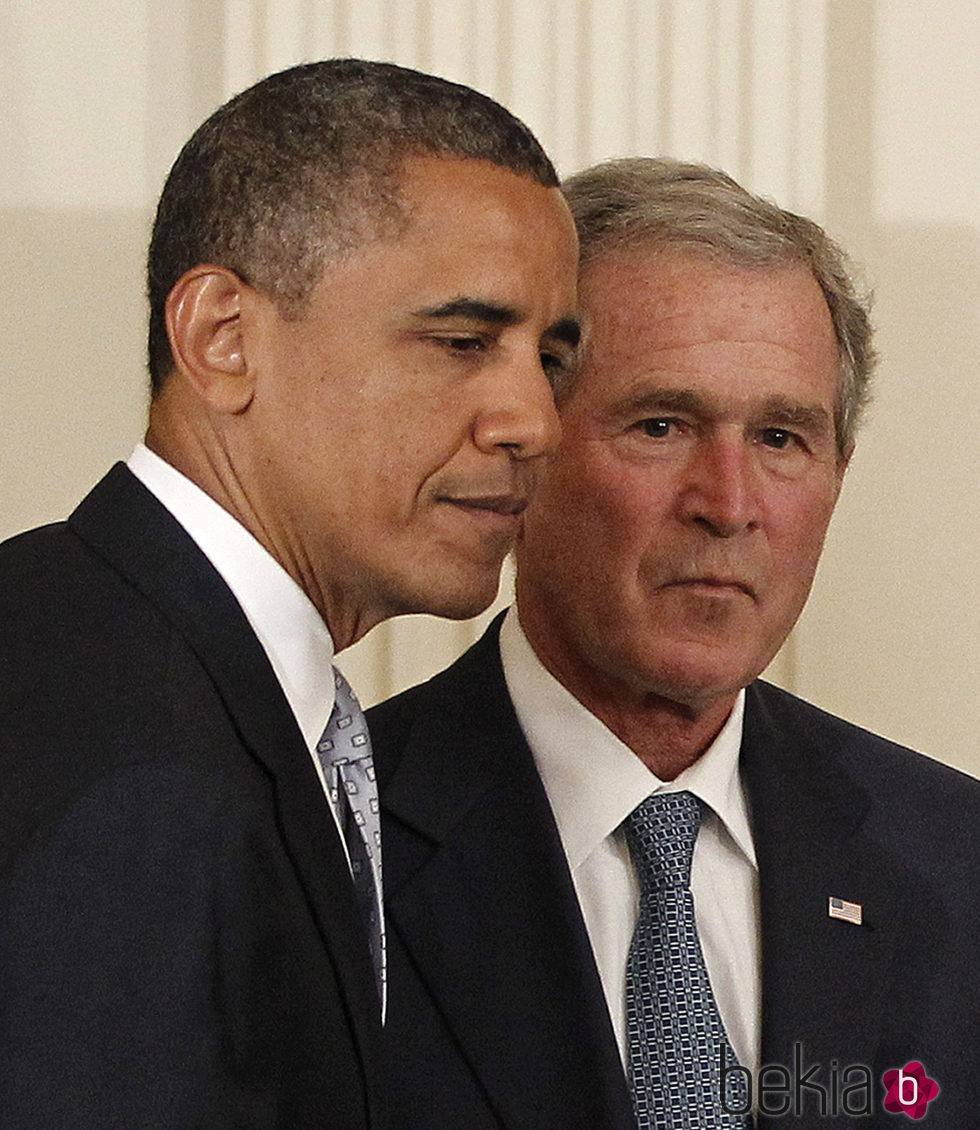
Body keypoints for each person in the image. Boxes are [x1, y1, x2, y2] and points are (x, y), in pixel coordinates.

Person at [0, 59, 579, 1129]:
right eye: (460, 342)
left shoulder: (87, 633)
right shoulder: (132, 781)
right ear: (222, 338)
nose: (533, 421)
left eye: (548, 357)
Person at [370, 158, 980, 1128]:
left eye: (781, 438)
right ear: (524, 445)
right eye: (660, 424)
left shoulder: (954, 859)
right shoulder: (320, 844)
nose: (728, 505)